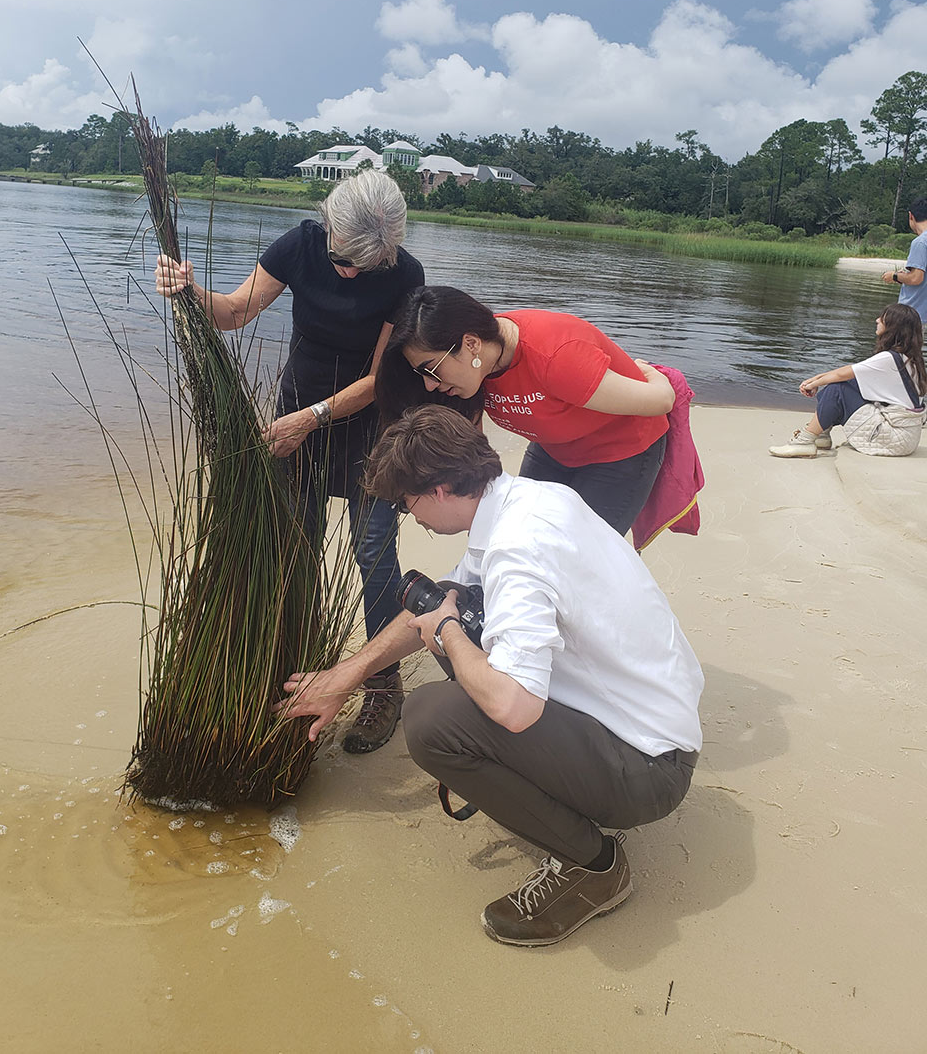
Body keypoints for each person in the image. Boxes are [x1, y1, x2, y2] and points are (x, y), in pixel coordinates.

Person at [280, 405, 703, 947]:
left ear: (440, 488)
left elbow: (514, 707)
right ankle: (566, 793)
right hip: (646, 722)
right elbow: (434, 608)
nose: (414, 520)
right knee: (452, 623)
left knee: (432, 718)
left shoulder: (516, 549)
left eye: (407, 504)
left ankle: (595, 867)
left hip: (648, 769)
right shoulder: (532, 500)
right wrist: (347, 675)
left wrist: (452, 635)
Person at [155, 169, 424, 753]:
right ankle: (299, 669)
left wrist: (314, 418)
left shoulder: (405, 275)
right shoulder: (298, 246)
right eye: (344, 260)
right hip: (292, 423)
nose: (352, 272)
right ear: (326, 225)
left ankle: (382, 685)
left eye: (366, 267)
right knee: (296, 544)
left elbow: (380, 379)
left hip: (366, 427)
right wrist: (188, 289)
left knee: (373, 551)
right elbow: (232, 313)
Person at [374, 286, 675, 535]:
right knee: (519, 532)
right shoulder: (476, 373)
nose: (429, 385)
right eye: (422, 374)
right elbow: (470, 455)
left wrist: (651, 373)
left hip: (620, 453)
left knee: (578, 551)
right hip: (553, 447)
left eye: (433, 371)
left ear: (470, 344)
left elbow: (662, 401)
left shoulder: (556, 359)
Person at [769, 303, 926, 458]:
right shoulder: (909, 359)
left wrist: (812, 383)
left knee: (838, 388)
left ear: (893, 327)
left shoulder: (889, 358)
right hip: (905, 437)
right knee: (851, 383)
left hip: (893, 439)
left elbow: (842, 374)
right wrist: (815, 380)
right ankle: (822, 435)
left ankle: (804, 442)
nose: (877, 320)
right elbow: (851, 373)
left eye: (883, 319)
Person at [881, 198, 927, 324]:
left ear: (911, 216)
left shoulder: (921, 242)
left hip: (911, 314)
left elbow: (916, 278)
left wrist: (895, 276)